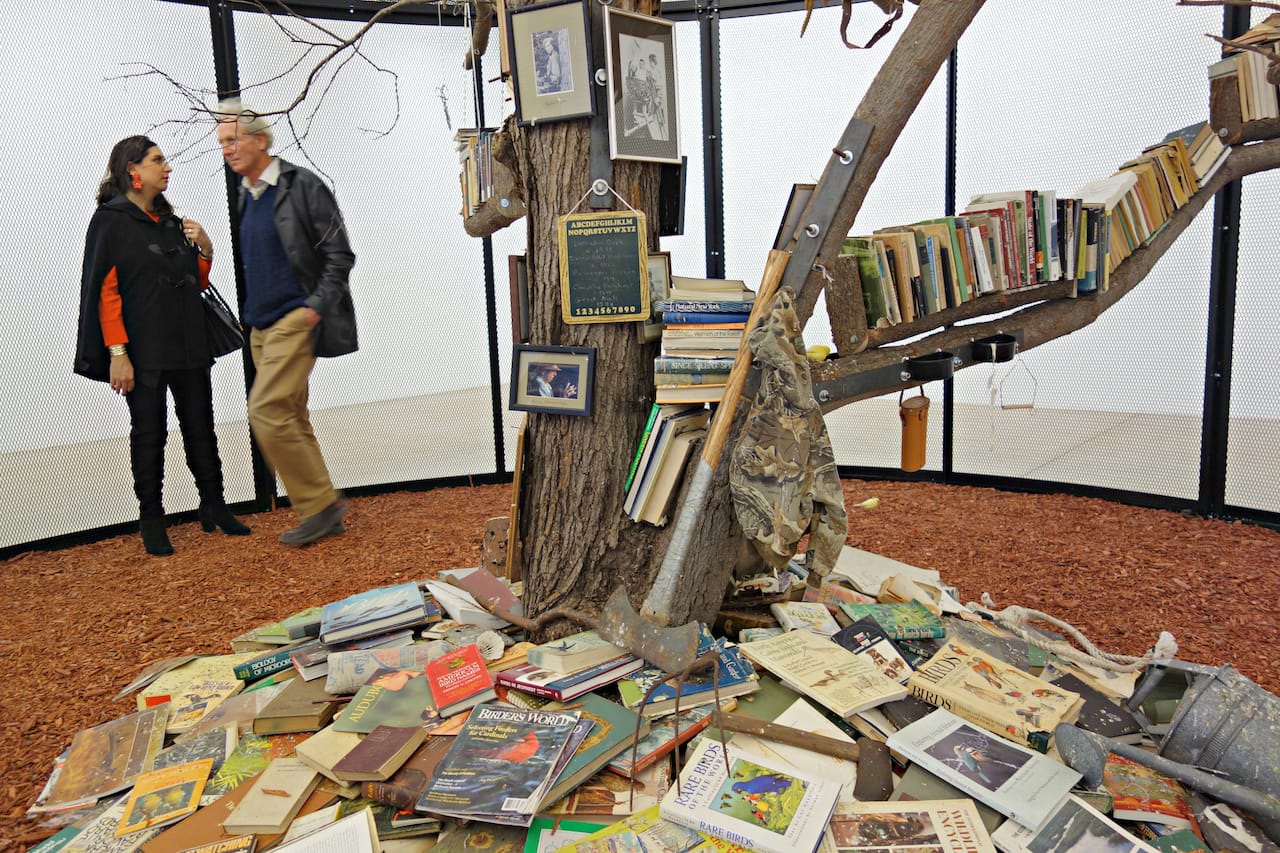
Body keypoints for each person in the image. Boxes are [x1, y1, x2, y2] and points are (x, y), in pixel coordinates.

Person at [75, 135, 251, 557]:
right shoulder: (110, 221)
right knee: (149, 435)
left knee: (201, 427)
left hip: (189, 343)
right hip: (143, 352)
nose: (167, 167)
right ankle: (152, 519)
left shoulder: (173, 222)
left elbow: (197, 283)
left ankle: (214, 505)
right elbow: (105, 292)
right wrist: (118, 354)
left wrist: (205, 248)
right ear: (133, 172)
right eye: (158, 161)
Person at [215, 103, 358, 546]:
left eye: (233, 140)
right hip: (260, 326)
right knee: (291, 414)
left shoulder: (302, 186)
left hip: (294, 319)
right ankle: (324, 509)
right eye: (221, 143)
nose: (227, 149)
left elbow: (339, 254)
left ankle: (318, 507)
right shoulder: (247, 194)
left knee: (265, 410)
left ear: (260, 140)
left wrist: (313, 307)